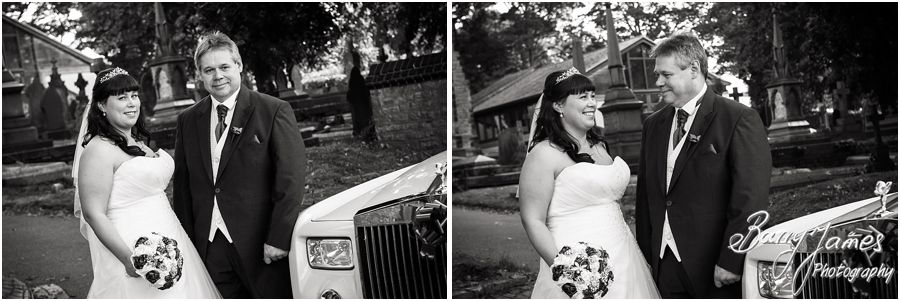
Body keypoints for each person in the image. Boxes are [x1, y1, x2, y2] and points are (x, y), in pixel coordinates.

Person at [635, 31, 771, 298]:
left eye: (666, 74)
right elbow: (645, 197)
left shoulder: (737, 118)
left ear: (694, 69)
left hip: (716, 267)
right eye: (657, 75)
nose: (658, 82)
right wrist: (649, 255)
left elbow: (750, 198)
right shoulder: (653, 126)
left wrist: (732, 258)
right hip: (665, 265)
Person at [172, 32, 306, 298]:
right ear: (199, 74)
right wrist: (189, 245)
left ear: (239, 66)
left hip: (261, 245)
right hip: (209, 247)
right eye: (208, 70)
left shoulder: (272, 110)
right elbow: (183, 187)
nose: (217, 76)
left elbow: (290, 179)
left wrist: (278, 238)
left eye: (224, 67)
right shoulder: (188, 120)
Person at [73, 67, 221, 298]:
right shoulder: (98, 150)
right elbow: (93, 214)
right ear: (101, 105)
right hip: (133, 247)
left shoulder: (138, 142)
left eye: (134, 95)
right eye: (122, 98)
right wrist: (128, 259)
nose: (132, 103)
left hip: (171, 238)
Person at [519, 67, 660, 299]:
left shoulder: (600, 146)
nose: (592, 103)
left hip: (624, 254)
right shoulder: (544, 154)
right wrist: (566, 271)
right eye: (583, 97)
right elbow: (532, 219)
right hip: (576, 263)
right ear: (558, 105)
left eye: (593, 96)